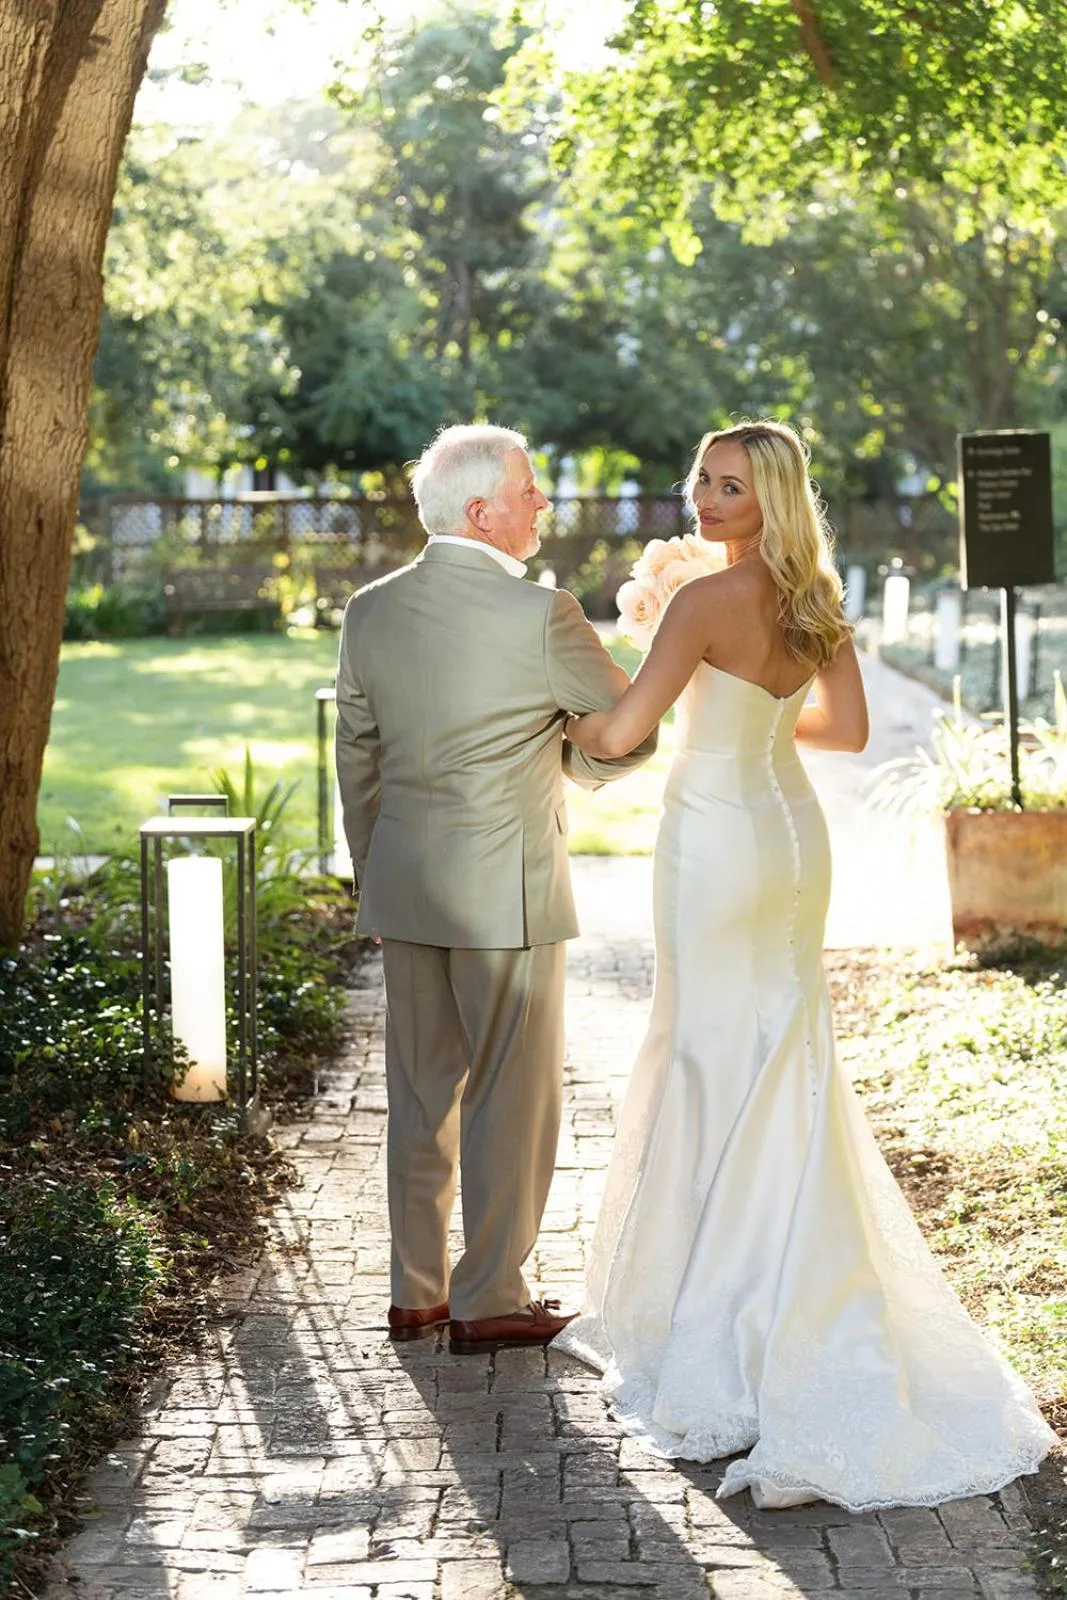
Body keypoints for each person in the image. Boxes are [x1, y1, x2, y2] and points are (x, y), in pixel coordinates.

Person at [554, 420, 1056, 1510]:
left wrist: (564, 710)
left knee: (705, 1049)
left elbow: (617, 733)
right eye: (701, 479)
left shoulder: (700, 602)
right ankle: (792, 1281)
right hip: (788, 837)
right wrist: (750, 722)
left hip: (712, 841)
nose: (704, 498)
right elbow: (845, 728)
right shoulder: (813, 598)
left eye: (728, 486)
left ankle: (723, 1314)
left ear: (769, 497)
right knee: (783, 1048)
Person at [335, 423, 657, 1356]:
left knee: (418, 1093)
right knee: (511, 1098)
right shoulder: (542, 615)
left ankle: (415, 1294)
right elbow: (627, 729)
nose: (541, 502)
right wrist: (564, 756)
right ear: (481, 512)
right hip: (506, 892)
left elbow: (357, 756)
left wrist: (375, 874)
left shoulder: (369, 611)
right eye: (527, 488)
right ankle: (489, 1298)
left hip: (406, 884)